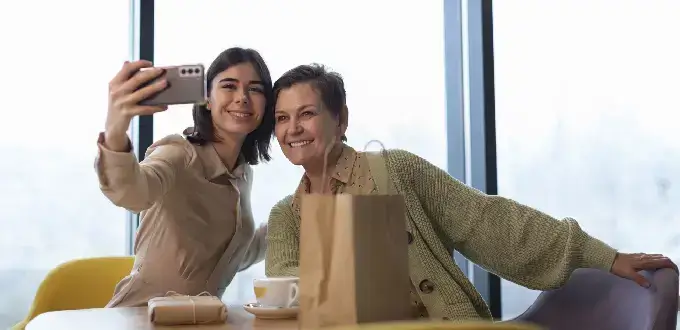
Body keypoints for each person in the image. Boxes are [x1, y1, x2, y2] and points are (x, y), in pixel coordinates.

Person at [264, 64, 676, 320]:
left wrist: (602, 255)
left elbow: (489, 222)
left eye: (306, 114)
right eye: (282, 118)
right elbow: (287, 291)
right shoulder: (287, 214)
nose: (292, 129)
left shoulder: (394, 170)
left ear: (341, 119)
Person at [96, 47, 274, 307]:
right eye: (229, 86)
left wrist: (299, 211)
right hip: (139, 319)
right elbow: (133, 193)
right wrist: (115, 130)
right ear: (207, 100)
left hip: (198, 322)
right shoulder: (178, 154)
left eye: (255, 89)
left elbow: (233, 254)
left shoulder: (242, 173)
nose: (242, 97)